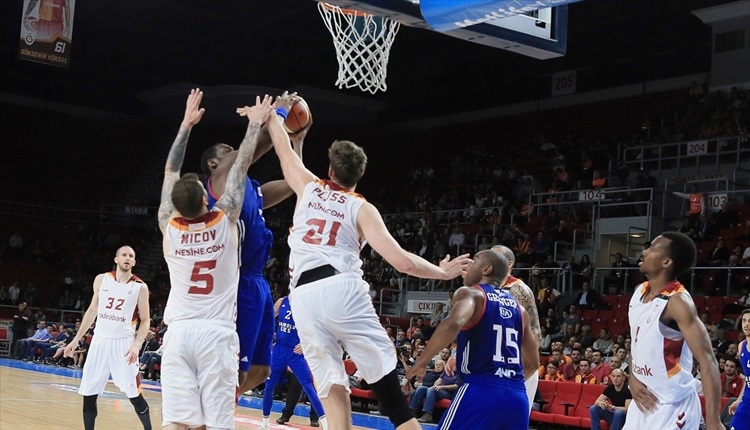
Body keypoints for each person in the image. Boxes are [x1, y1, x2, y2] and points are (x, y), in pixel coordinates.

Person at [267, 91, 471, 430]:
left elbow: (282, 148)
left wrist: (278, 112)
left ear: (330, 168)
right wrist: (442, 272)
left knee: (331, 382)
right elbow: (402, 262)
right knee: (390, 395)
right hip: (341, 287)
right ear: (358, 177)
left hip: (302, 296)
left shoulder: (308, 186)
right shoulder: (362, 207)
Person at [156, 89, 273, 430]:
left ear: (177, 206)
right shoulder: (226, 220)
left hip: (178, 333)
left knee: (177, 423)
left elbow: (169, 169)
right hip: (216, 334)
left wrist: (185, 125)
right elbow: (239, 168)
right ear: (206, 200)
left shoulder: (169, 227)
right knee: (217, 424)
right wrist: (254, 126)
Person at [201, 106, 305, 396]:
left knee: (261, 371)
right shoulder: (220, 183)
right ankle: (209, 415)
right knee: (237, 370)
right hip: (237, 282)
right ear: (213, 164)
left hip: (258, 283)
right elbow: (256, 146)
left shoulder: (253, 188)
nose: (235, 151)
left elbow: (294, 183)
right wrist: (277, 115)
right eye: (227, 151)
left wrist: (297, 142)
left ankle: (211, 408)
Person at [406, 250, 539, 429]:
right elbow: (532, 363)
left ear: (486, 269)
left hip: (481, 388)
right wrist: (505, 384)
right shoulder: (519, 310)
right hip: (517, 397)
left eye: (474, 261)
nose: (468, 266)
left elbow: (453, 323)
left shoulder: (472, 294)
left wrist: (421, 362)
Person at [624, 231, 722, 430]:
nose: (644, 252)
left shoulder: (678, 302)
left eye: (651, 248)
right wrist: (633, 379)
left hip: (673, 407)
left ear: (666, 262)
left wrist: (713, 421)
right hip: (642, 403)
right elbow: (638, 343)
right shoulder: (638, 292)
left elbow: (708, 360)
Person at [63, 246, 152, 430]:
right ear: (116, 259)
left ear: (134, 262)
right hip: (99, 342)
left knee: (134, 395)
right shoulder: (101, 279)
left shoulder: (140, 287)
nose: (127, 258)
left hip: (124, 345)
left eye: (131, 256)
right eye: (124, 255)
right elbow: (92, 311)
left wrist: (136, 345)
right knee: (89, 393)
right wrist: (76, 339)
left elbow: (145, 320)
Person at [257, 296, 327, 430]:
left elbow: (319, 328)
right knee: (269, 386)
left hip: (296, 353)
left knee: (309, 387)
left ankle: (327, 425)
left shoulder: (308, 304)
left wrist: (306, 343)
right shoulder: (282, 301)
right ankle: (265, 423)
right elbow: (268, 319)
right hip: (279, 350)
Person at [491, 245, 542, 409]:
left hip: (518, 365)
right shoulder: (489, 289)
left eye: (495, 257)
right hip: (496, 364)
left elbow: (535, 334)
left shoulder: (518, 289)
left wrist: (519, 371)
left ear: (510, 264)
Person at [727, 309, 749, 430]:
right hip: (745, 404)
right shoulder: (741, 346)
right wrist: (739, 400)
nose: (747, 324)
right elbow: (747, 379)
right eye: (744, 321)